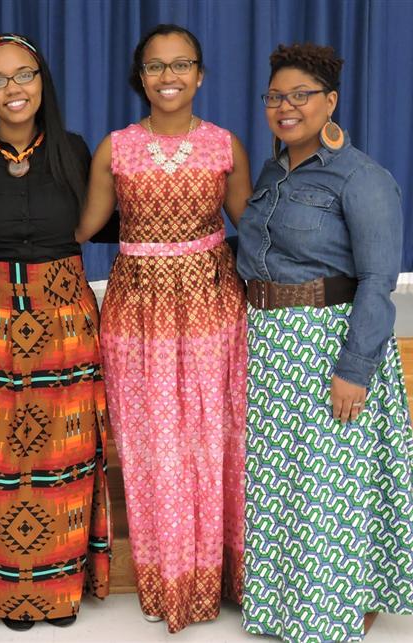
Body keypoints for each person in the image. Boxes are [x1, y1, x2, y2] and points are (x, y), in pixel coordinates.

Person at [236, 43, 413, 642]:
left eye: (301, 96)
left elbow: (378, 280)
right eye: (276, 97)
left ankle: (341, 607)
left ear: (331, 102)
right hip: (271, 346)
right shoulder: (273, 170)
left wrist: (355, 367)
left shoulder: (362, 177)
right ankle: (284, 603)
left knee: (335, 485)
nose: (286, 107)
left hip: (330, 341)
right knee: (286, 481)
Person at [75, 23, 252, 634]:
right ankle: (170, 580)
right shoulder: (115, 147)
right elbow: (80, 228)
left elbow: (255, 232)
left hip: (210, 305)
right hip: (137, 313)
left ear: (200, 75)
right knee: (153, 449)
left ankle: (222, 577)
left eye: (182, 65)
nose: (169, 76)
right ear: (140, 77)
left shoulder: (225, 145)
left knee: (213, 440)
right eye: (155, 66)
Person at [0, 33, 112, 631]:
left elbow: (112, 224)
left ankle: (59, 587)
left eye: (24, 75)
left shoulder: (74, 150)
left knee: (66, 451)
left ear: (43, 81)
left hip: (65, 320)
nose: (14, 89)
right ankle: (3, 590)